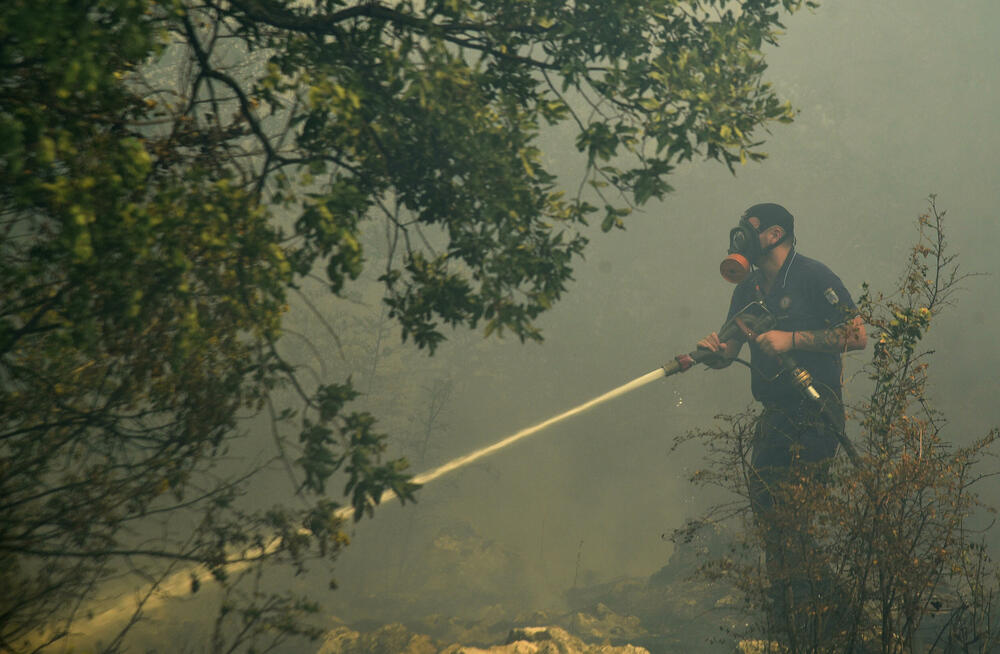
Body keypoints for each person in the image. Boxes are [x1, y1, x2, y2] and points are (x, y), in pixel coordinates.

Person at [696, 203, 867, 636]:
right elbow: (729, 348)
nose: (740, 237)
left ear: (775, 234)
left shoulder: (814, 276)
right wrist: (714, 353)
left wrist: (792, 338)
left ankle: (837, 625)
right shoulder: (748, 288)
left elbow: (856, 335)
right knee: (771, 518)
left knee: (799, 519)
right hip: (773, 419)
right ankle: (789, 624)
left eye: (748, 230)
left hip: (815, 412)